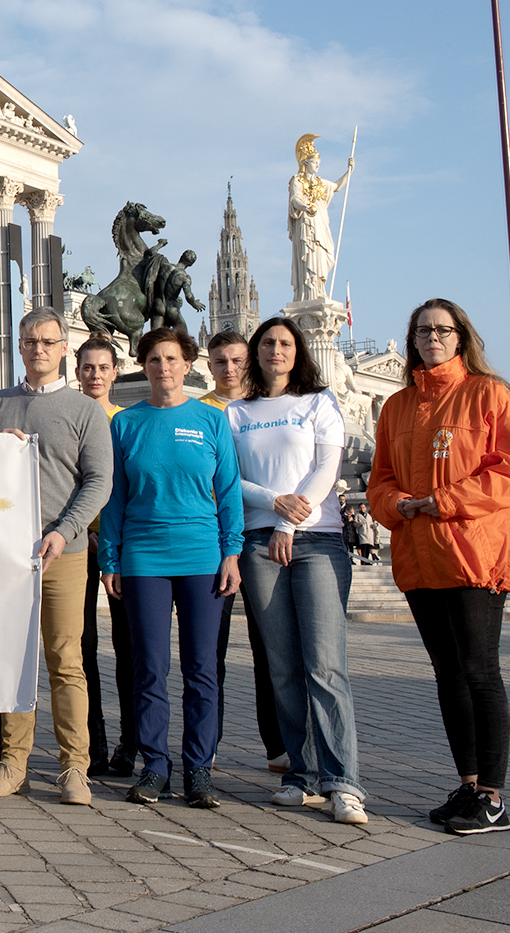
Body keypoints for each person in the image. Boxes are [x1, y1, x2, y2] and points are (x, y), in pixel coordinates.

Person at [370, 299, 510, 835]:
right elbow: (380, 482)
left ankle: (493, 796)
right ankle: (468, 784)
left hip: (473, 554)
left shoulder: (488, 394)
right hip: (420, 556)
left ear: (461, 337)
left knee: (479, 670)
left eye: (442, 330)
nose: (432, 338)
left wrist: (443, 500)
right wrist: (396, 505)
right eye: (422, 331)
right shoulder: (395, 406)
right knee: (448, 673)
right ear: (412, 339)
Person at [227, 317, 368, 825]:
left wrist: (291, 522)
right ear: (255, 353)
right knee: (283, 665)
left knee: (325, 666)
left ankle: (343, 781)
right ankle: (300, 774)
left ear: (298, 350)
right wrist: (273, 504)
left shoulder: (319, 402)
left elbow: (326, 469)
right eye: (267, 343)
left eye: (285, 343)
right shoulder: (236, 412)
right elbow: (232, 478)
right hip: (258, 539)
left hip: (318, 541)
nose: (276, 351)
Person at [100, 326, 243, 808]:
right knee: (150, 669)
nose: (164, 367)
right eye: (155, 359)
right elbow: (116, 497)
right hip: (143, 558)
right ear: (144, 366)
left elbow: (228, 491)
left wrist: (232, 553)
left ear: (188, 364)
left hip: (202, 556)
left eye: (172, 358)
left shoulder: (210, 419)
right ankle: (154, 765)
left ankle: (199, 768)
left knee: (203, 669)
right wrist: (111, 558)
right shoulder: (125, 422)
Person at [0, 308, 113, 805]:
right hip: (9, 553)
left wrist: (65, 531)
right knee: (15, 660)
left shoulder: (84, 410)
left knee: (65, 659)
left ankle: (75, 766)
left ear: (63, 350)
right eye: (30, 340)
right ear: (19, 344)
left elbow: (99, 480)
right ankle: (13, 762)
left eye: (48, 341)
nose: (38, 348)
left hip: (65, 551)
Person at [202, 329, 289, 777]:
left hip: (256, 536)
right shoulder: (201, 411)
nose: (230, 369)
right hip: (211, 543)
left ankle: (278, 745)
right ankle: (206, 747)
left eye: (237, 360)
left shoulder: (262, 410)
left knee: (267, 646)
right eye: (220, 361)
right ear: (209, 364)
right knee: (208, 652)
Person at [76, 336, 134, 779]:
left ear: (115, 372)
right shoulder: (70, 416)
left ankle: (130, 745)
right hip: (77, 543)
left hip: (121, 546)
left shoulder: (126, 421)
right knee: (83, 649)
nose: (95, 375)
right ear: (76, 373)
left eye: (103, 368)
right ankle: (92, 746)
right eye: (87, 367)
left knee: (128, 648)